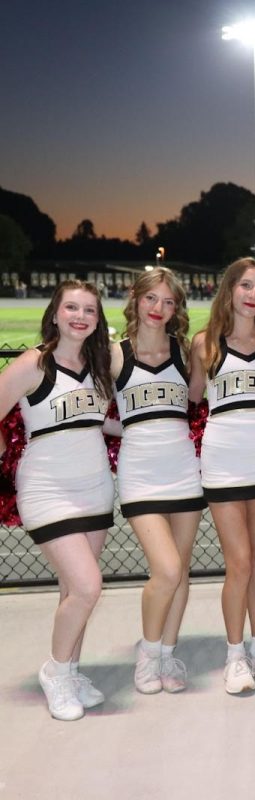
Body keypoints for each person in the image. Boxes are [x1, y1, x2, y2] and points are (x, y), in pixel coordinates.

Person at [0, 281, 113, 720]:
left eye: (89, 309)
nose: (80, 316)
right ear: (55, 312)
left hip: (95, 486)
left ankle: (70, 673)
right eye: (71, 307)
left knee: (74, 591)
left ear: (98, 318)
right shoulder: (34, 364)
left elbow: (94, 423)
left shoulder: (98, 364)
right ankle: (55, 670)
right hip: (47, 487)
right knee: (88, 587)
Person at [188, 258, 255, 693]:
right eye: (246, 286)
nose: (253, 295)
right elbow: (189, 399)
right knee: (239, 562)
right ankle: (234, 654)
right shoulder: (205, 343)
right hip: (223, 462)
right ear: (229, 289)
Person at [111, 268, 204, 693]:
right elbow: (89, 411)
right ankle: (147, 654)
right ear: (136, 298)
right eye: (152, 299)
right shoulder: (114, 355)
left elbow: (199, 399)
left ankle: (168, 654)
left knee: (180, 571)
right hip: (141, 474)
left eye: (168, 302)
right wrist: (129, 430)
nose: (158, 309)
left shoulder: (185, 352)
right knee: (165, 569)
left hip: (184, 471)